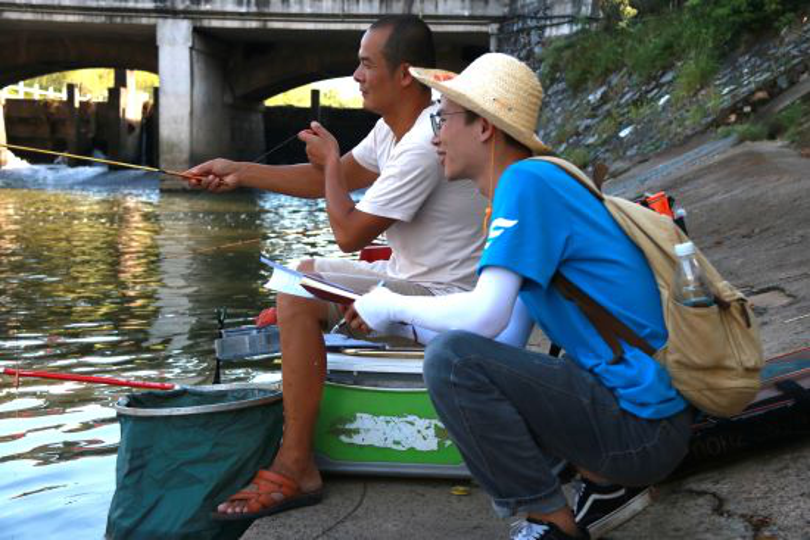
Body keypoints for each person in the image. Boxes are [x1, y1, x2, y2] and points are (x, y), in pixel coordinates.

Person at [350, 53, 693, 539]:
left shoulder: (526, 184)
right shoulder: (533, 185)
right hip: (647, 425)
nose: (434, 137)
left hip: (643, 430)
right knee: (458, 359)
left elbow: (484, 318)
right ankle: (601, 483)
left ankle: (547, 522)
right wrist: (396, 324)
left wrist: (388, 302)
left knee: (451, 360)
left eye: (441, 119)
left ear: (484, 127)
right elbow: (506, 336)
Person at [188, 15, 487, 519]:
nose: (356, 76)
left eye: (367, 65)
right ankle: (297, 417)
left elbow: (348, 231)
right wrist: (238, 170)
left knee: (298, 294)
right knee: (299, 273)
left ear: (404, 74)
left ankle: (296, 465)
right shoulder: (398, 127)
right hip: (413, 282)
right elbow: (337, 178)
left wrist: (328, 160)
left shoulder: (421, 144)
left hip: (446, 302)